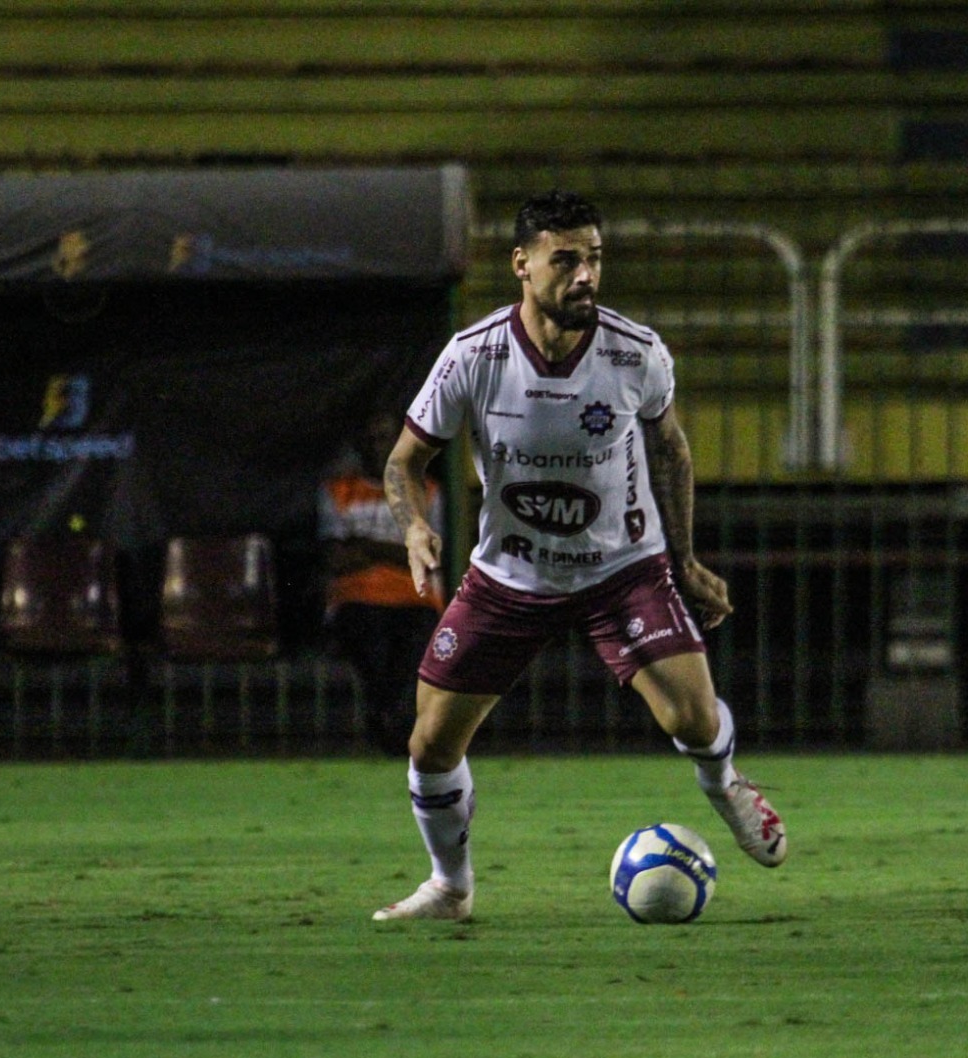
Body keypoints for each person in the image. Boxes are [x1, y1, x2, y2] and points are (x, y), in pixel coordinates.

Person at [371, 189, 788, 921]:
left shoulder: (635, 352)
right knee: (430, 743)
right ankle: (450, 886)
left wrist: (684, 561)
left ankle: (724, 783)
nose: (585, 275)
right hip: (509, 575)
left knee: (689, 719)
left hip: (620, 569)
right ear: (521, 266)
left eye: (594, 258)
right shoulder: (474, 356)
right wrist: (413, 527)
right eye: (565, 260)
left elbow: (670, 449)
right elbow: (405, 461)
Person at [319, 410, 443, 756]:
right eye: (370, 439)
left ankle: (390, 725)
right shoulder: (340, 491)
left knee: (415, 646)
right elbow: (335, 559)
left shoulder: (426, 491)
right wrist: (400, 550)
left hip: (415, 599)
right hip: (356, 599)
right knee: (370, 641)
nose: (378, 447)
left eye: (385, 437)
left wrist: (366, 547)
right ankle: (394, 729)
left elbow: (430, 557)